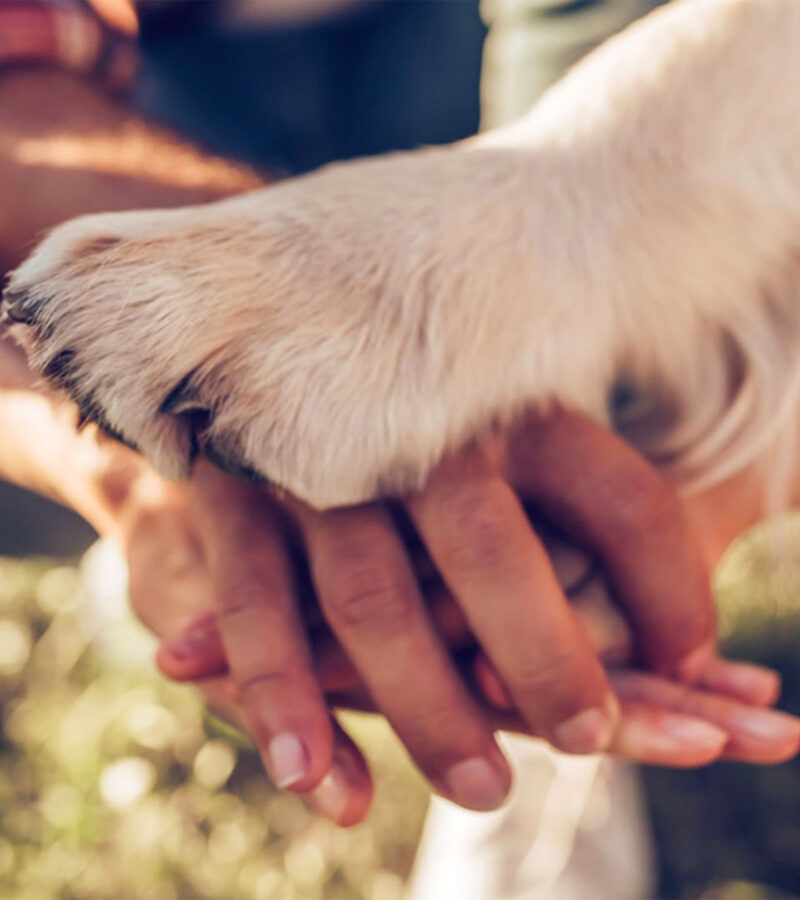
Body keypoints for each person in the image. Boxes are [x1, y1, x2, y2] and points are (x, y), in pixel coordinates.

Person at [0, 0, 796, 833]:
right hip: (148, 81)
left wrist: (699, 480)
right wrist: (119, 448)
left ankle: (545, 578)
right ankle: (511, 583)